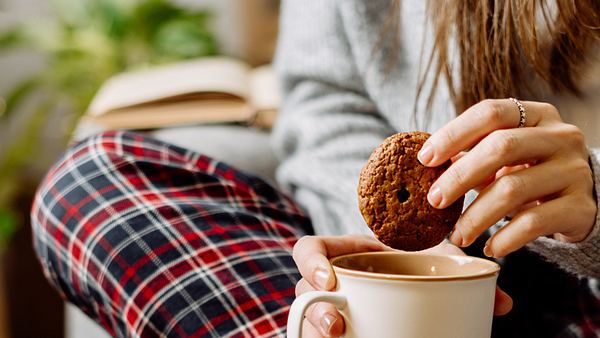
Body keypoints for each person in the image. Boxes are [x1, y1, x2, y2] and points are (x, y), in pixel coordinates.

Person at [31, 0, 599, 337]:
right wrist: (389, 263)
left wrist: (592, 202)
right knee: (91, 183)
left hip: (578, 281)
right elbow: (327, 98)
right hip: (407, 273)